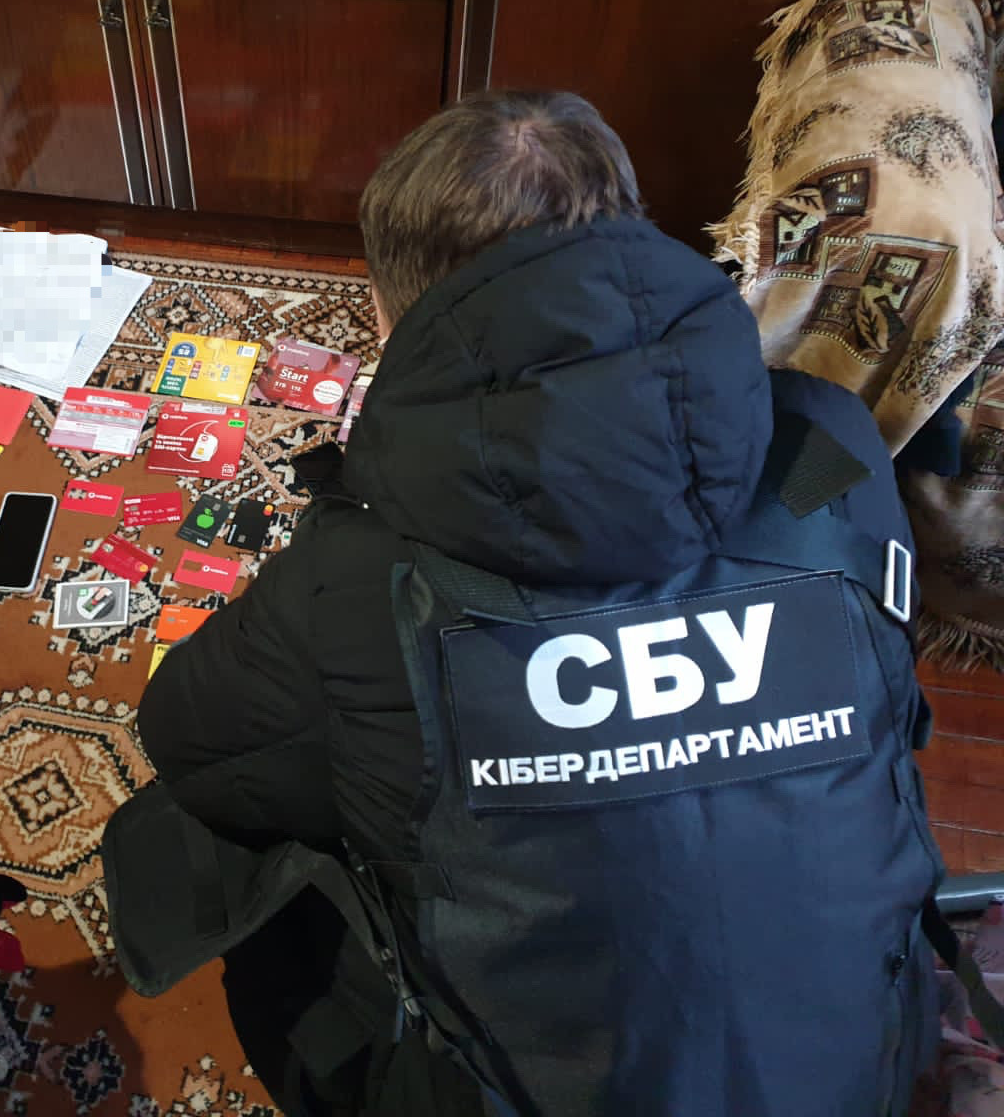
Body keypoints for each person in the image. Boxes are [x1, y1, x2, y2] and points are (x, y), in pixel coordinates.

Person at [102, 90, 943, 1116]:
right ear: (633, 237)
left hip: (511, 1095)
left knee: (231, 829)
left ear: (389, 317)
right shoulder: (830, 444)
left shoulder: (360, 572)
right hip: (861, 1076)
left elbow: (189, 743)